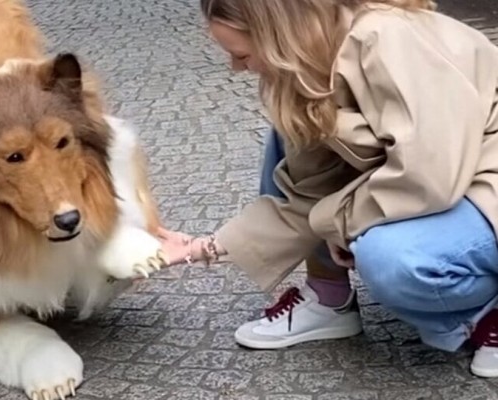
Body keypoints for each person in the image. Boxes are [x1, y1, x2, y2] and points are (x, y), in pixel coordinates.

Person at [157, 0, 498, 377]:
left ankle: (483, 313)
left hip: (481, 179)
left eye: (242, 54)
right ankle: (328, 297)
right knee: (289, 137)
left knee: (392, 259)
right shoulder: (307, 72)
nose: (236, 68)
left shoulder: (385, 37)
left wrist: (340, 219)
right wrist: (199, 248)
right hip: (447, 180)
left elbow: (430, 176)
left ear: (278, 36)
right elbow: (305, 193)